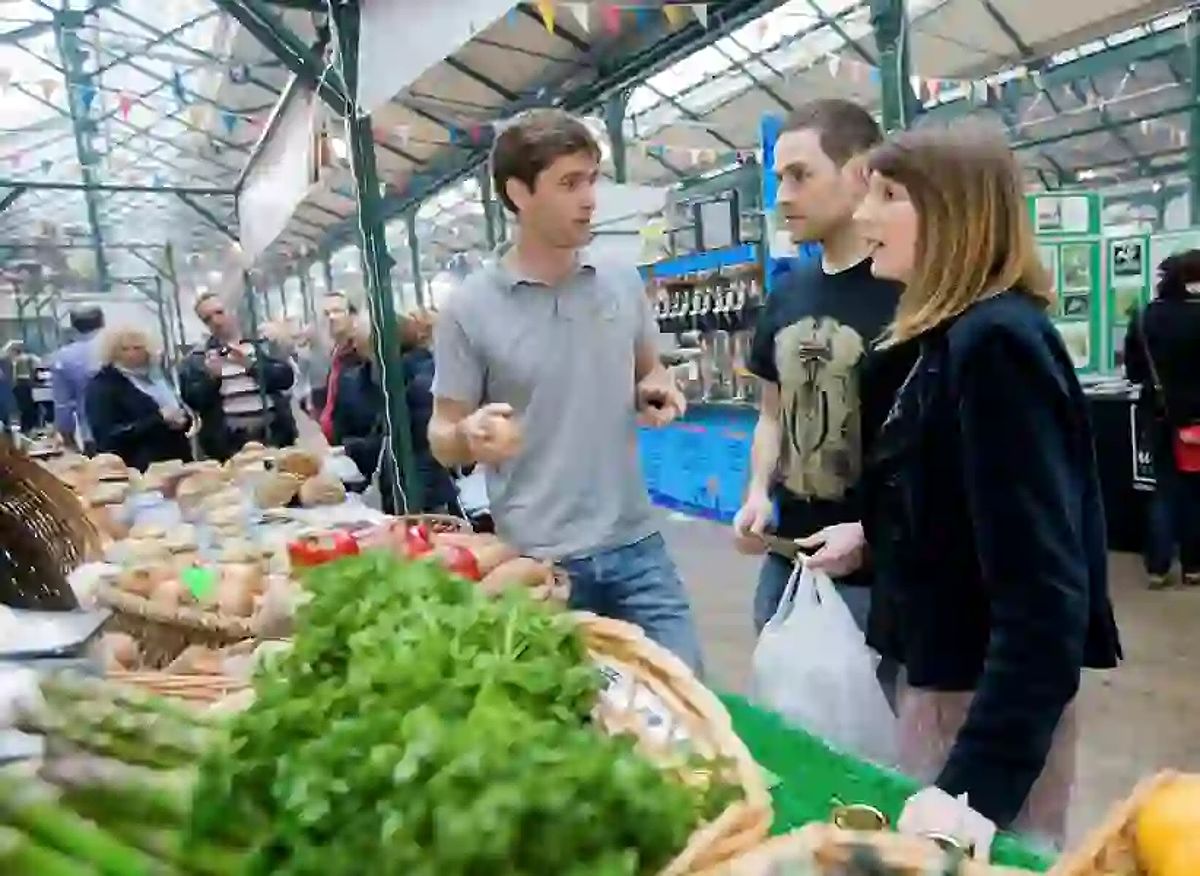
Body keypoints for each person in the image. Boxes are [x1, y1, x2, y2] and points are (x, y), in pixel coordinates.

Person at [801, 123, 1121, 846]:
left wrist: (974, 784)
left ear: (952, 213)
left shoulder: (996, 345)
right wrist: (873, 537)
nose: (863, 217)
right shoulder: (944, 339)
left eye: (887, 196)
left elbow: (1044, 590)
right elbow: (961, 507)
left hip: (981, 704)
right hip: (943, 682)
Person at [428, 108, 702, 671]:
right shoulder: (469, 308)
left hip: (637, 545)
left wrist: (656, 389)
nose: (589, 199)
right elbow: (441, 433)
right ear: (519, 194)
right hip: (537, 563)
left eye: (592, 179)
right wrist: (468, 436)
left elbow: (650, 371)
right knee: (571, 725)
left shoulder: (621, 281)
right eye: (569, 183)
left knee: (687, 704)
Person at [731, 99, 911, 658]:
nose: (782, 195)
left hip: (880, 574)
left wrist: (878, 539)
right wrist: (758, 493)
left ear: (860, 171)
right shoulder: (787, 293)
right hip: (788, 560)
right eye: (778, 177)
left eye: (800, 175)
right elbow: (771, 412)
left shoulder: (912, 295)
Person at [1124, 250, 1200, 589]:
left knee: (1163, 488)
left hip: (1158, 412)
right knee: (1196, 490)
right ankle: (1194, 566)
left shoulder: (1144, 318)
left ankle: (1157, 566)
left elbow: (1134, 370)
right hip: (1197, 418)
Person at [179, 292, 297, 462]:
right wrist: (212, 378)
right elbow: (193, 401)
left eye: (219, 312)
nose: (216, 321)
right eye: (207, 319)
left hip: (274, 435)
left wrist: (251, 366)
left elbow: (285, 379)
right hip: (229, 444)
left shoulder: (263, 344)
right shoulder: (198, 358)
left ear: (232, 310)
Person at [86, 326, 192, 471]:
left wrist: (183, 420)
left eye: (138, 348)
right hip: (137, 467)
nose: (131, 354)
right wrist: (158, 419)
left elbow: (179, 408)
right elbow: (106, 437)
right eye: (124, 349)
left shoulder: (157, 377)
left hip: (177, 461)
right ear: (112, 352)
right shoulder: (104, 384)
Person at [52, 306, 105, 454]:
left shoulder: (63, 357)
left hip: (92, 434)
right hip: (138, 432)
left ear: (74, 326)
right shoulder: (120, 349)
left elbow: (63, 405)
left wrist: (66, 436)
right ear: (102, 323)